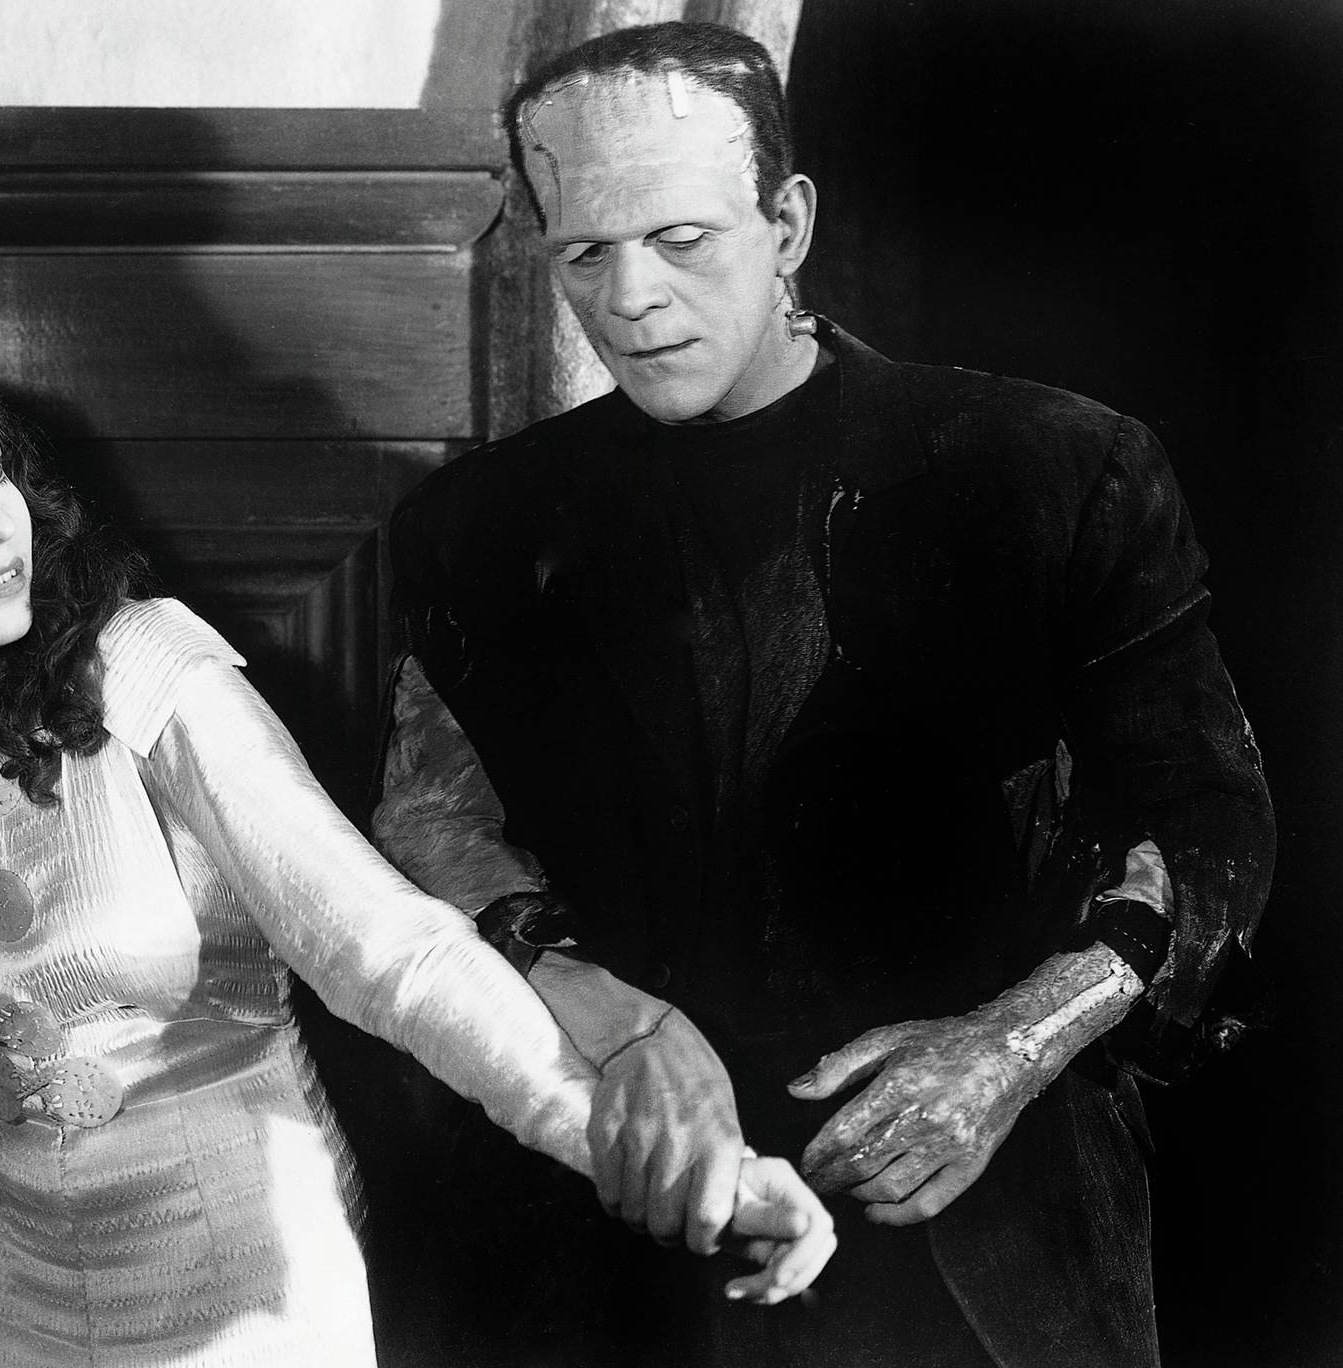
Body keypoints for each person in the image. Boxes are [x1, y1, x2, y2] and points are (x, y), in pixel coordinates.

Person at [0, 335, 834, 1368]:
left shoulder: (139, 669)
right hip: (15, 1266)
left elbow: (388, 951)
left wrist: (656, 1152)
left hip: (241, 1253)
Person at [374, 20, 1274, 1368]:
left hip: (979, 1214)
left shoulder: (1052, 465)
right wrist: (604, 1021)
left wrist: (1008, 1048)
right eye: (584, 254)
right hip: (615, 1196)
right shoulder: (477, 525)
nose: (630, 300)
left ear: (786, 223)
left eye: (681, 239)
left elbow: (1205, 821)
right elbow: (426, 823)